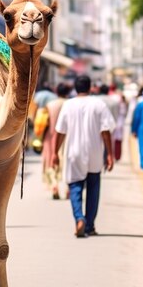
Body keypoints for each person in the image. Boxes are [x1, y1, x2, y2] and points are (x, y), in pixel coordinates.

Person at [52, 75, 115, 237]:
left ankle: (79, 218)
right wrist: (109, 154)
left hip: (74, 152)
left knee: (75, 187)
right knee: (93, 188)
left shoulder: (68, 105)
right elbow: (106, 131)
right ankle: (90, 226)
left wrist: (54, 153)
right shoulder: (99, 104)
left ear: (75, 88)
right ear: (90, 87)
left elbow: (60, 132)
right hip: (94, 152)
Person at [41, 82, 71, 199]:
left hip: (51, 137)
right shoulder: (70, 104)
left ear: (57, 92)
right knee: (66, 163)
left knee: (51, 161)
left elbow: (43, 122)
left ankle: (54, 185)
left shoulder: (50, 105)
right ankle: (68, 188)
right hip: (67, 137)